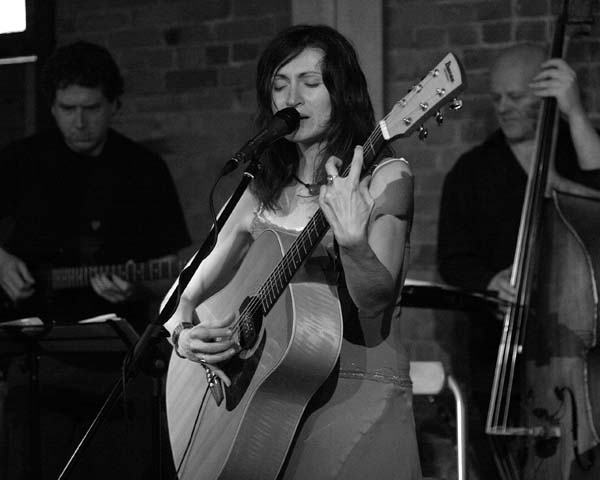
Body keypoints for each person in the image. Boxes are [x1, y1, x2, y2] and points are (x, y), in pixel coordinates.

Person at [163, 25, 421, 479]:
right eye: (279, 85)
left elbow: (374, 300)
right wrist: (183, 334)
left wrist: (352, 241)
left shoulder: (384, 178)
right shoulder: (258, 192)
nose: (291, 98)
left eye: (310, 82)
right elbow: (182, 293)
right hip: (264, 407)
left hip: (358, 400)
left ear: (342, 92)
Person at [0, 41, 190, 479]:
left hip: (118, 364)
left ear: (115, 105)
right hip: (35, 357)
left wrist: (137, 287)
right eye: (68, 109)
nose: (80, 121)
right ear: (52, 107)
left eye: (92, 108)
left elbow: (172, 271)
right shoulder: (20, 161)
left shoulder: (144, 170)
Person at [437, 44, 600, 479]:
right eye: (496, 98)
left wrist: (575, 112)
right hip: (500, 353)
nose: (504, 107)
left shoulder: (578, 148)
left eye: (516, 96)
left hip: (577, 349)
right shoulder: (471, 171)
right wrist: (490, 280)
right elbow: (452, 259)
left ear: (544, 94)